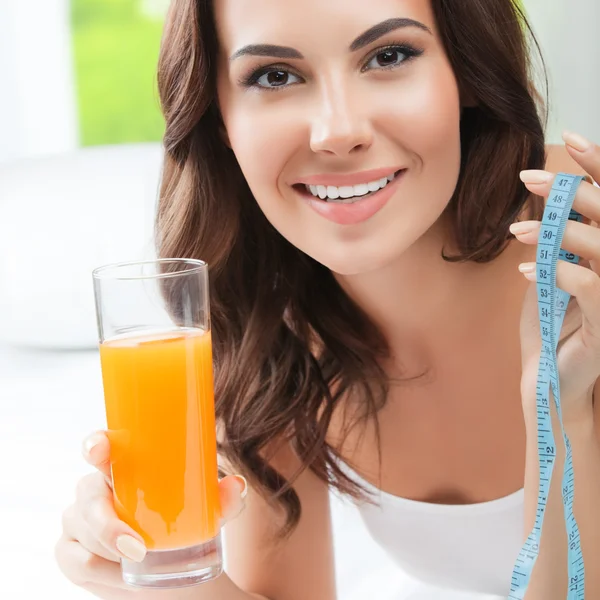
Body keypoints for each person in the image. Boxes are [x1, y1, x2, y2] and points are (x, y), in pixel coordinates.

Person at [54, 0, 600, 598]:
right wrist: (161, 577)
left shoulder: (586, 244)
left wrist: (569, 421)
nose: (337, 131)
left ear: (466, 73)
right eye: (275, 76)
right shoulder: (276, 323)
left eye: (389, 56)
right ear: (220, 122)